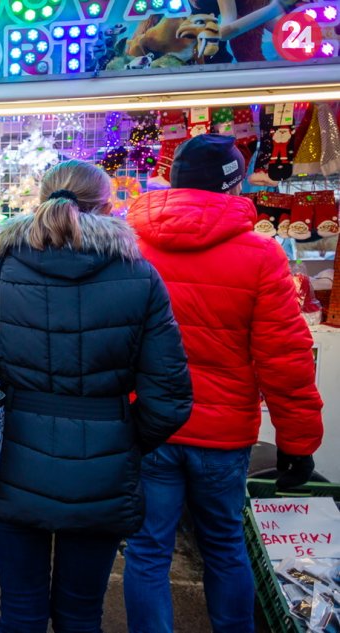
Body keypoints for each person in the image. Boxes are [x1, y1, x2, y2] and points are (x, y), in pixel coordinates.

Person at [0, 160, 193, 633]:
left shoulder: (1, 267)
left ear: (42, 200)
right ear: (107, 208)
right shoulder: (140, 275)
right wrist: (124, 439)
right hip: (102, 474)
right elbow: (169, 400)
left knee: (21, 611)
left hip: (12, 465)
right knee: (81, 614)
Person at [123, 134, 324, 633]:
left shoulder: (131, 248)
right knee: (224, 545)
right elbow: (285, 358)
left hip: (150, 425)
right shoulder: (261, 255)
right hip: (223, 434)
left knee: (148, 549)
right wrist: (297, 443)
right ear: (232, 185)